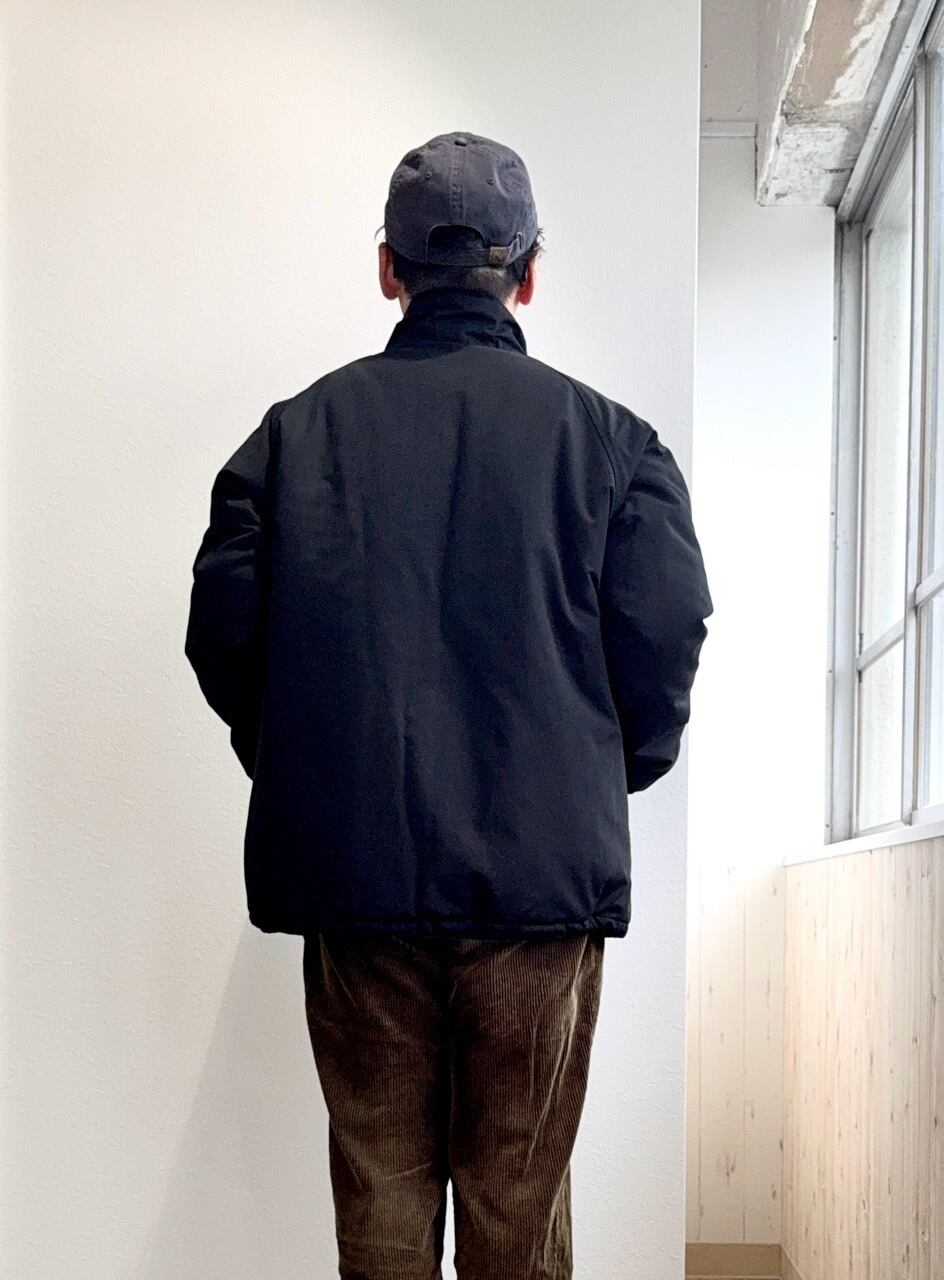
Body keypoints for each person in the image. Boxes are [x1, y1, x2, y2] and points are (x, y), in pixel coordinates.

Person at [185, 130, 712, 1280]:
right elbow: (664, 630)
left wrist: (306, 757)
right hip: (539, 888)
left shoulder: (290, 440)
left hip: (355, 876)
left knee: (379, 1200)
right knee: (518, 1209)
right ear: (527, 273)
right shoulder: (614, 446)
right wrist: (596, 770)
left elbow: (222, 629)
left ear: (388, 267)